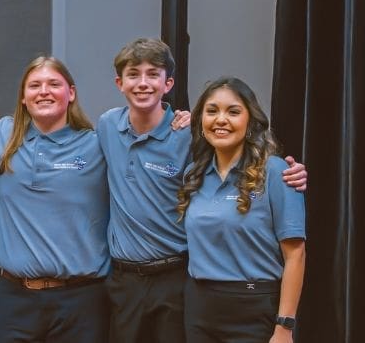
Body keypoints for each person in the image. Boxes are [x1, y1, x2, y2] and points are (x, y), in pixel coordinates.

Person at [97, 38, 308, 342]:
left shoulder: (194, 141)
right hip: (148, 287)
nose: (142, 83)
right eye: (133, 74)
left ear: (167, 83)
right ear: (120, 83)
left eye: (153, 74)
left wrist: (285, 324)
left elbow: (295, 252)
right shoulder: (109, 127)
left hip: (188, 282)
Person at [0, 56, 110, 342]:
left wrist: (184, 119)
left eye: (54, 84)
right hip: (15, 298)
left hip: (81, 299)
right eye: (35, 85)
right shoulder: (1, 136)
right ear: (23, 98)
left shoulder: (98, 143)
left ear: (71, 93)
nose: (44, 91)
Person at [176, 77, 305, 343]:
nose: (220, 119)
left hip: (255, 309)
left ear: (250, 121)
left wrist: (285, 327)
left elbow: (296, 255)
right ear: (200, 121)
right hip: (199, 309)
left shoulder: (276, 172)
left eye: (233, 111)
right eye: (212, 111)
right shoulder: (193, 175)